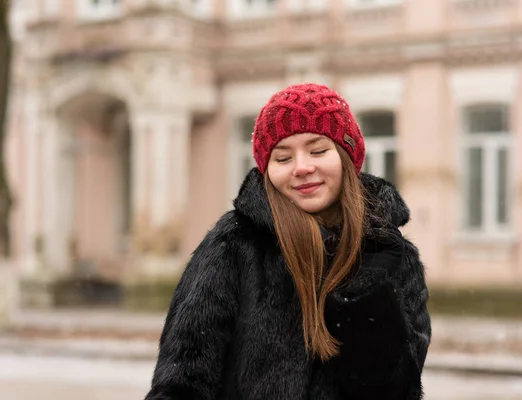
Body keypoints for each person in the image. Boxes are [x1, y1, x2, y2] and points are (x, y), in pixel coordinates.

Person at [145, 83, 431, 400]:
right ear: (267, 170)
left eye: (318, 150)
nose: (302, 167)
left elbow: (394, 392)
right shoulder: (234, 245)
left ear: (346, 158)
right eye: (283, 158)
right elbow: (182, 383)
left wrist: (367, 294)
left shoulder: (392, 256)